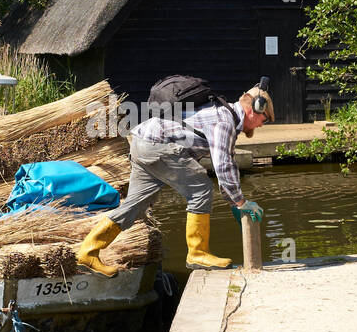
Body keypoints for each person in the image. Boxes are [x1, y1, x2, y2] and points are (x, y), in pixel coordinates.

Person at [76, 83, 272, 274]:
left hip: (142, 142)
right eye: (266, 119)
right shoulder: (224, 120)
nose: (265, 124)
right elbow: (222, 166)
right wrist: (240, 202)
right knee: (200, 188)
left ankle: (88, 251)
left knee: (135, 205)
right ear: (255, 110)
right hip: (157, 145)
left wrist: (235, 203)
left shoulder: (223, 114)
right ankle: (198, 253)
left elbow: (227, 162)